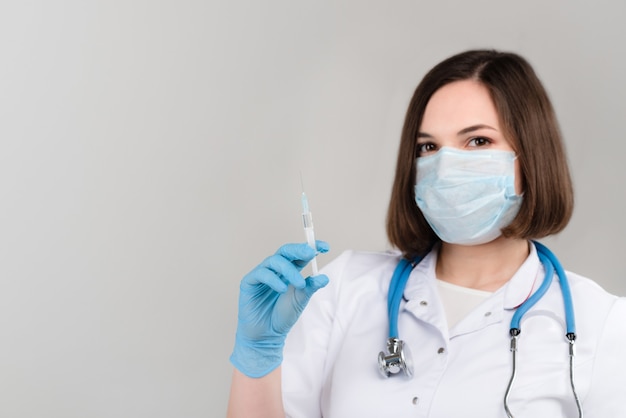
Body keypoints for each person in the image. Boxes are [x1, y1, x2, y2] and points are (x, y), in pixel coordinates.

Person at [226, 50, 626, 417]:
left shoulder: (601, 325)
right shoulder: (345, 288)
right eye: (428, 148)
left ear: (532, 157)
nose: (447, 167)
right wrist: (258, 357)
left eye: (478, 141)